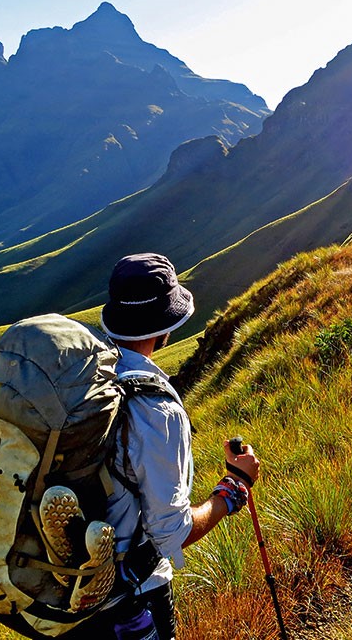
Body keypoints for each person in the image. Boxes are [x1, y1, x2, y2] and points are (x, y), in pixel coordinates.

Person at [93, 252, 260, 639]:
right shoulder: (154, 409)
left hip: (60, 602)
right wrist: (233, 490)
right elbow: (173, 534)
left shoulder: (86, 378)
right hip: (130, 598)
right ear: (164, 326)